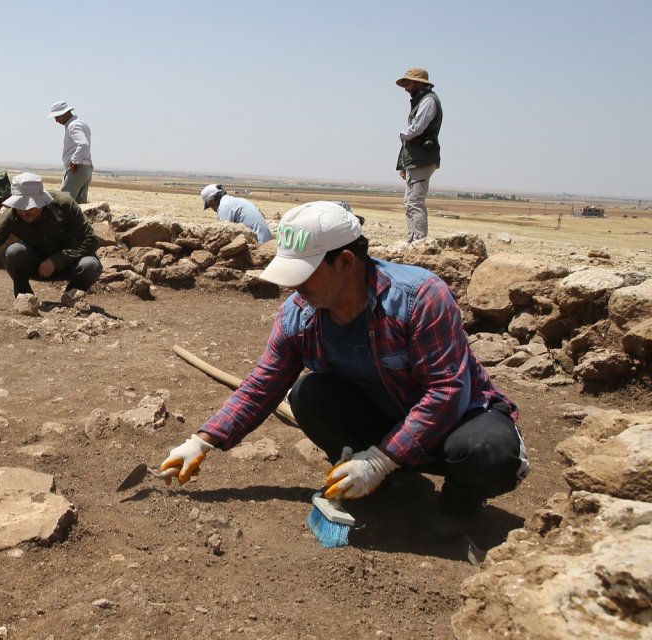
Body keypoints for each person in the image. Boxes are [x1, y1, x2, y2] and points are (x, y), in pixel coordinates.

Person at [158, 201, 529, 539]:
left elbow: (447, 392)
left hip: (458, 422)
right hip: (388, 422)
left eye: (304, 273)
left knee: (486, 452)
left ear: (346, 262)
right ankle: (385, 481)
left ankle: (458, 503)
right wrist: (202, 440)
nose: (294, 286)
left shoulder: (419, 299)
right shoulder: (299, 316)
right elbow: (261, 386)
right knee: (309, 395)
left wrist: (381, 459)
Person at [0, 173, 100, 308]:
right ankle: (25, 298)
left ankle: (71, 296)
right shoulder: (11, 216)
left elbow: (91, 240)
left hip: (71, 265)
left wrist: (57, 260)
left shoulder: (64, 204)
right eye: (21, 205)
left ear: (42, 201)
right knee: (13, 252)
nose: (25, 211)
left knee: (90, 265)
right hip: (36, 264)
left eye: (31, 205)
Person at [395, 67, 443, 243]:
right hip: (415, 160)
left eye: (408, 83)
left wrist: (402, 133)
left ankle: (419, 243)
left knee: (415, 202)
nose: (406, 88)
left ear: (417, 83)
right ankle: (412, 240)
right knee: (409, 202)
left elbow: (416, 128)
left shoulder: (428, 101)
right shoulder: (420, 100)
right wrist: (403, 164)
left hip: (422, 159)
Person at [48, 101, 93, 204]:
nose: (56, 120)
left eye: (57, 117)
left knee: (64, 203)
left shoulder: (73, 125)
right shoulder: (80, 123)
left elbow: (83, 144)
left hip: (77, 169)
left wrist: (74, 161)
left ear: (64, 113)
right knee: (79, 204)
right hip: (85, 168)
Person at [200, 184, 273, 243]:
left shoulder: (224, 206)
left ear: (212, 201)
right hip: (267, 240)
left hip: (259, 243)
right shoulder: (236, 201)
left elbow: (223, 234)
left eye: (210, 206)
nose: (213, 209)